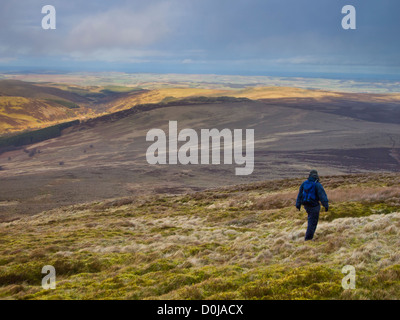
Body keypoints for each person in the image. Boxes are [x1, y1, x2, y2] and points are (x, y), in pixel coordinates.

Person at [296, 170, 329, 241]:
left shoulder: (304, 183)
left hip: (306, 205)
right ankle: (308, 239)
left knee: (310, 220)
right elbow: (322, 196)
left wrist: (298, 205)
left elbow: (300, 195)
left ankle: (309, 237)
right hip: (314, 206)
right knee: (312, 222)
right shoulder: (317, 184)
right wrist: (326, 205)